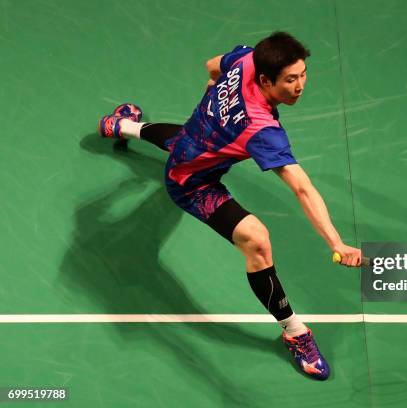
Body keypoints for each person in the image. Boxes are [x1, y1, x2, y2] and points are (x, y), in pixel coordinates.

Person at [98, 31, 362, 381]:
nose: (300, 86)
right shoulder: (262, 130)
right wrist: (335, 242)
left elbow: (211, 66)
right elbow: (302, 188)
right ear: (266, 80)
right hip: (193, 185)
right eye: (290, 79)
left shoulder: (247, 58)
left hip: (195, 138)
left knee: (181, 142)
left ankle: (121, 124)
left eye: (303, 75)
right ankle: (296, 332)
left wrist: (216, 104)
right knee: (257, 241)